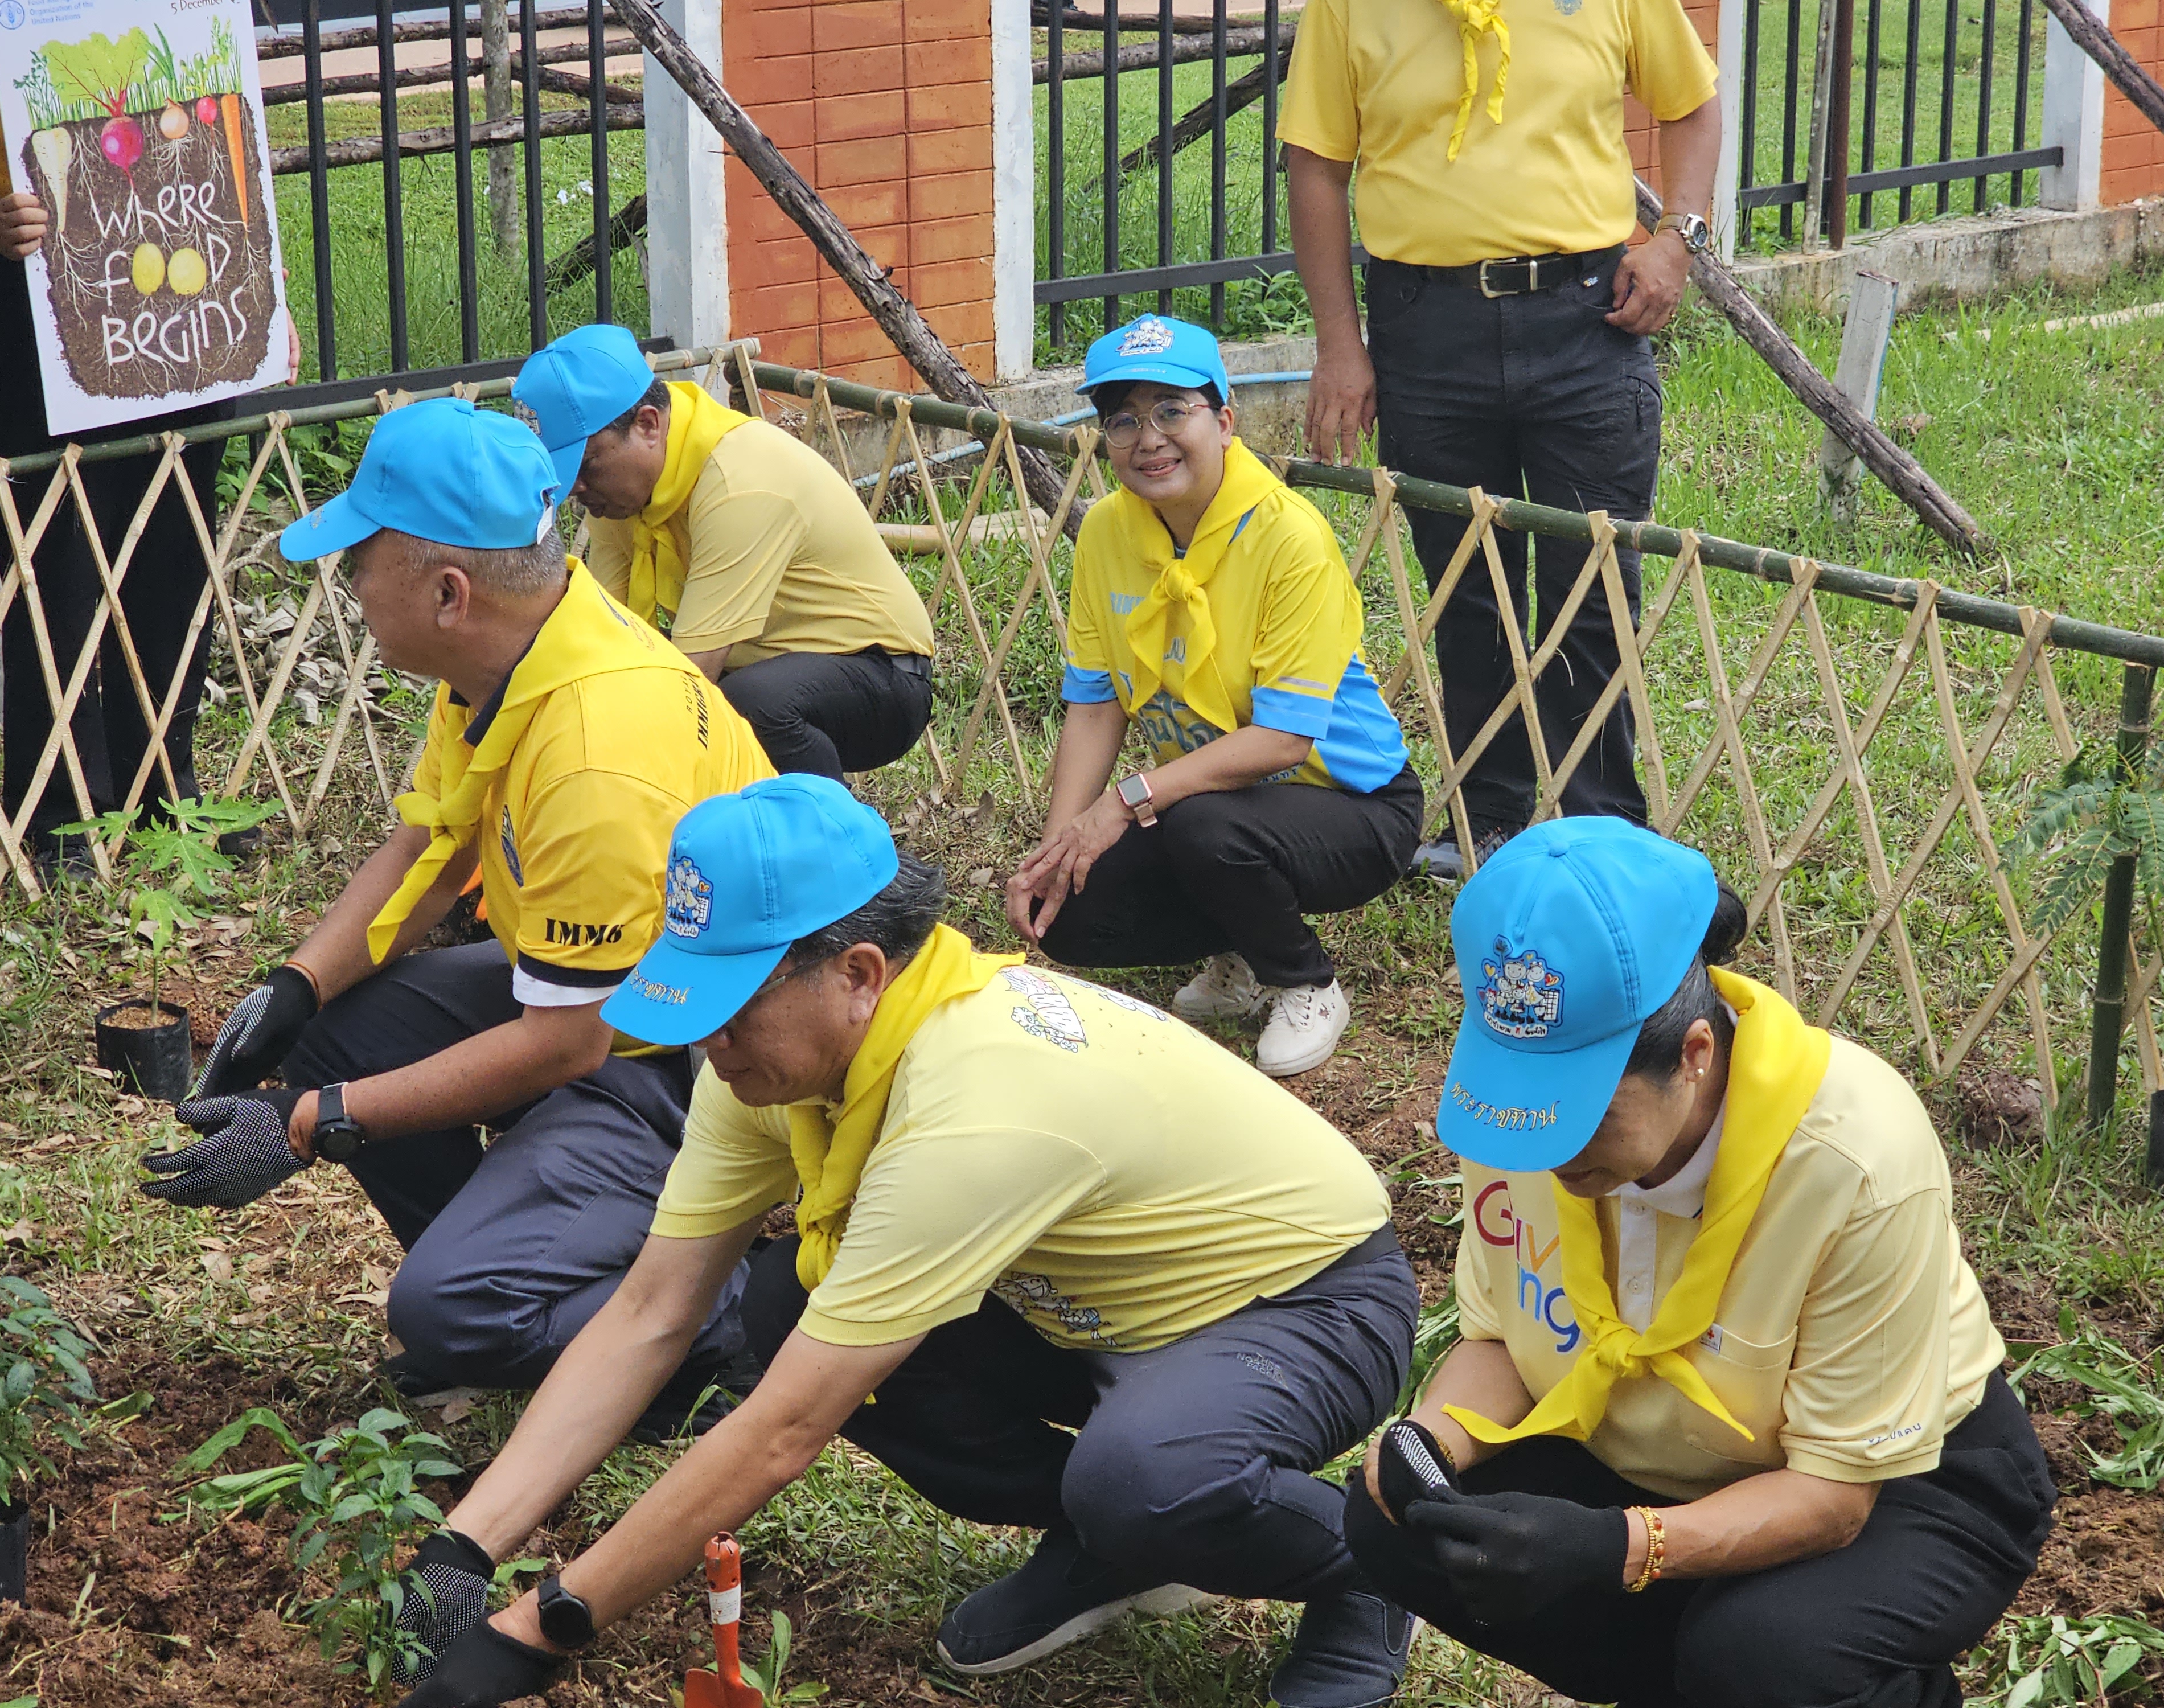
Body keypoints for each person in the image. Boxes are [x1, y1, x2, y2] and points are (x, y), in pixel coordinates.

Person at [378, 775, 1425, 1708]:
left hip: (1305, 1303)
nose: (710, 1040)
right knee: (786, 1301)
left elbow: (784, 1431)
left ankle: (1372, 1568)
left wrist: (544, 1627)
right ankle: (1118, 1545)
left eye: (735, 1007)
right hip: (1093, 1316)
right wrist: (466, 1544)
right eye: (696, 1002)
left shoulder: (974, 1105)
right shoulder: (769, 1068)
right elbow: (653, 1310)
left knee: (1143, 1481)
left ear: (860, 974)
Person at [141, 398, 774, 1416]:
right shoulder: (510, 656)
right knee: (344, 1029)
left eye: (360, 559)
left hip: (688, 1059)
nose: (348, 583)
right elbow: (432, 848)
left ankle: (709, 1322)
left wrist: (308, 1125)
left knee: (444, 1311)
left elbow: (568, 1045)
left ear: (448, 592)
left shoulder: (597, 751)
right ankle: (518, 1258)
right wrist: (296, 988)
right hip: (596, 998)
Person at [1342, 817, 2056, 1708]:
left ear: (1694, 1056)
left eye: (1580, 1113)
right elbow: (1503, 1341)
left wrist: (1620, 1548)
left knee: (1764, 1655)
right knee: (1394, 1529)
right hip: (1642, 1442)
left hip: (1897, 1477)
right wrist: (1431, 1444)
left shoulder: (1854, 1160)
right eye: (1523, 1100)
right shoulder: (1519, 1122)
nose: (1544, 1149)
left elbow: (1836, 1497)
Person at [1278, 0, 1723, 877]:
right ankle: (1489, 822)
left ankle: (1602, 833)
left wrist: (1679, 239)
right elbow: (1316, 167)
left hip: (1589, 318)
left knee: (1592, 582)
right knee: (1466, 585)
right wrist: (1338, 345)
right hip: (1425, 327)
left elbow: (1692, 106)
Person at [0, 0, 295, 879]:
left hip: (191, 291)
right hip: (39, 297)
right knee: (57, 559)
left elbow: (223, 114)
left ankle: (168, 791)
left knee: (178, 548)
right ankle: (58, 813)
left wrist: (262, 291)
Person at [1006, 315, 1422, 1078]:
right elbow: (1096, 703)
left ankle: (1304, 982)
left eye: (1173, 411)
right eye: (1124, 420)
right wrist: (1059, 850)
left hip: (1353, 806)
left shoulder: (1289, 537)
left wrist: (1123, 803)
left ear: (1224, 422)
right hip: (1210, 797)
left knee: (1205, 828)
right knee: (1069, 915)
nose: (1149, 439)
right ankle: (1238, 950)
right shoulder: (1106, 532)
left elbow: (1284, 740)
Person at [510, 325, 937, 782]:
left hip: (882, 674)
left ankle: (825, 825)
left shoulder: (739, 484)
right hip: (760, 663)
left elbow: (690, 678)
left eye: (586, 465)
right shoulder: (619, 496)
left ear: (648, 425)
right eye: (563, 473)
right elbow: (604, 636)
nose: (576, 489)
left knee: (744, 706)